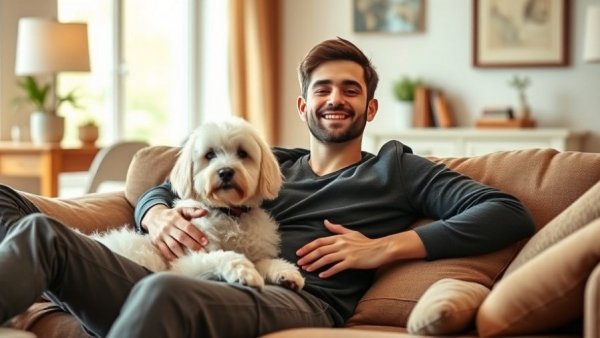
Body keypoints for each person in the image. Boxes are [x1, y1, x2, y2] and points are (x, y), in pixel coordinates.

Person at [0, 37, 535, 338]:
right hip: (180, 268)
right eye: (322, 89)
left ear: (370, 107)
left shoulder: (396, 168)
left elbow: (505, 212)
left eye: (351, 89)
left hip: (297, 296)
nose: (335, 98)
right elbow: (172, 184)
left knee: (166, 291)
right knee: (35, 231)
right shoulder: (266, 162)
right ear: (303, 106)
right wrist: (154, 213)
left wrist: (385, 247)